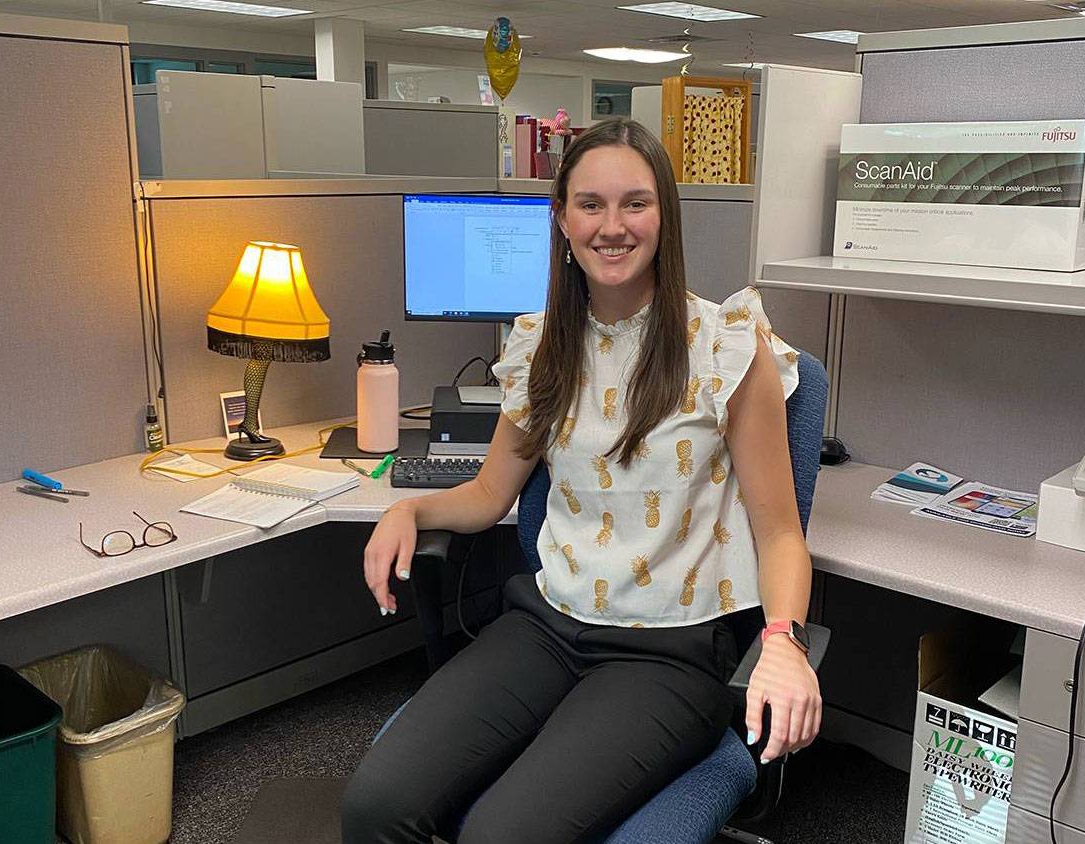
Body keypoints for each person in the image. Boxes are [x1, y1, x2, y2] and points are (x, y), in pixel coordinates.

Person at [341, 117, 821, 844]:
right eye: (590, 205)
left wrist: (782, 641)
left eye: (635, 202)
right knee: (373, 806)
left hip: (669, 652)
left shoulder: (726, 347)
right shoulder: (541, 348)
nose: (612, 226)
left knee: (501, 837)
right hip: (545, 625)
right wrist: (409, 510)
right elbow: (486, 495)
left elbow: (779, 532)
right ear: (561, 220)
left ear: (665, 215)